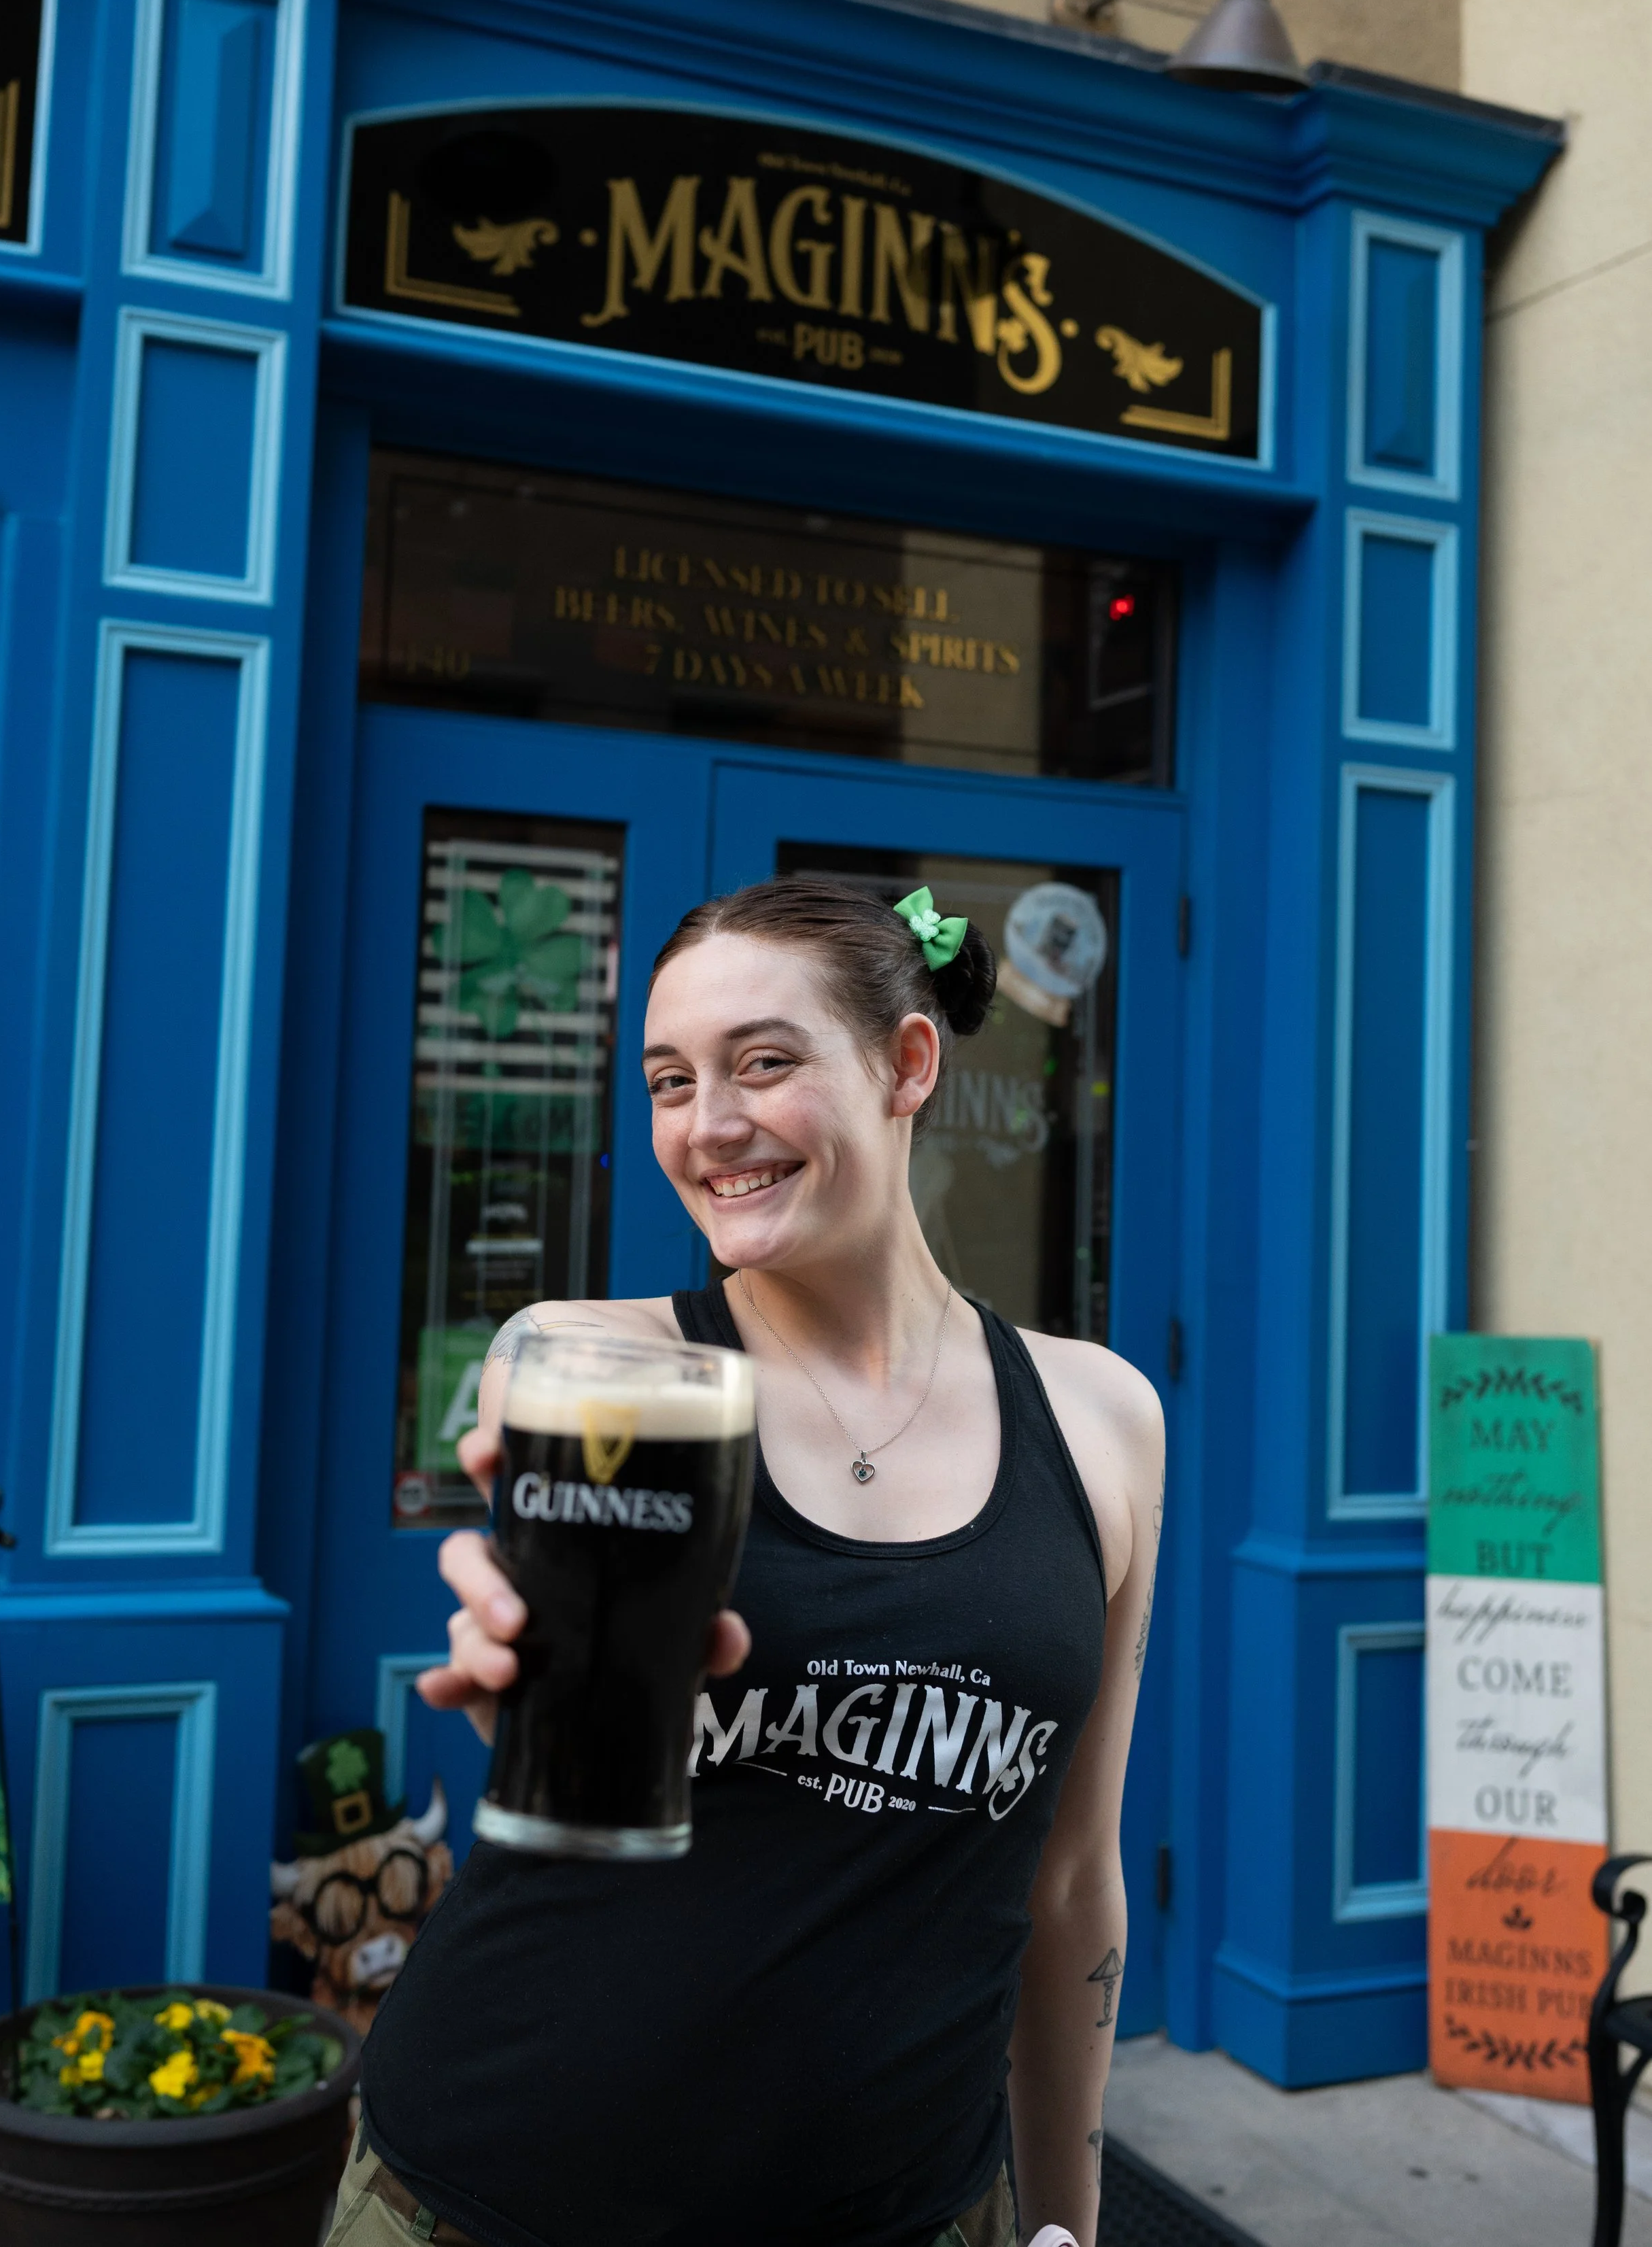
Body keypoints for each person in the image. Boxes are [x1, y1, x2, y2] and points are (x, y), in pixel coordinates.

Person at [331, 876, 1165, 2247]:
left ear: (905, 1062)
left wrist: (1063, 2223)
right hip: (491, 2194)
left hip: (911, 2212)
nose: (707, 1125)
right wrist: (511, 1673)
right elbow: (534, 1648)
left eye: (762, 1064)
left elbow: (1070, 1878)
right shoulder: (592, 1366)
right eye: (669, 1080)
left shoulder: (1099, 1419)